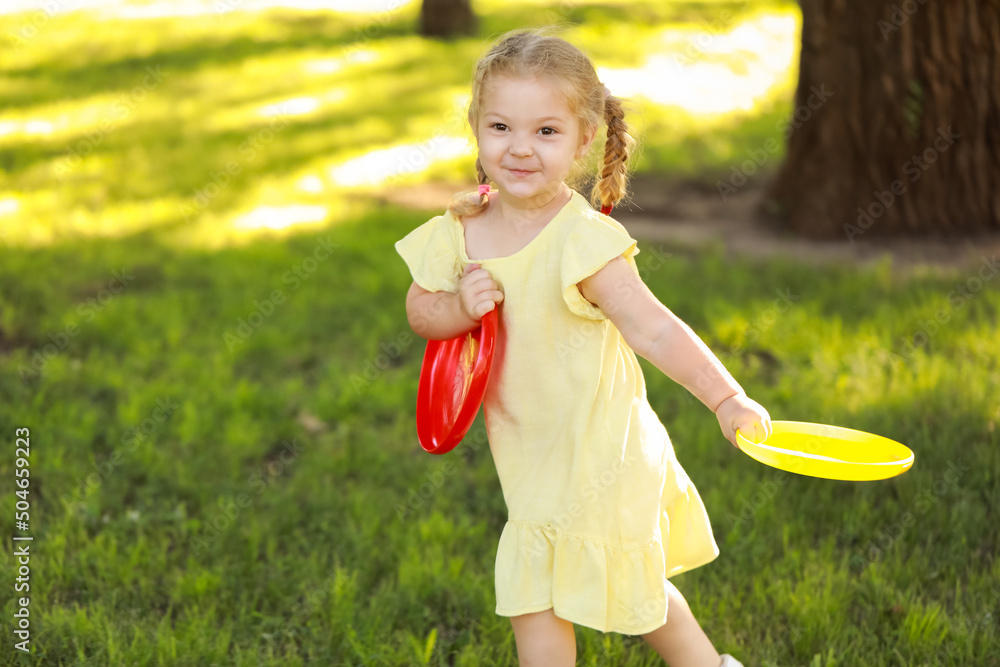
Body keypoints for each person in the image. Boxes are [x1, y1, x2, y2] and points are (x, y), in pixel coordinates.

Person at [395, 29, 771, 667]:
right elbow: (420, 312)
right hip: (532, 454)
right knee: (569, 586)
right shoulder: (456, 231)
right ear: (475, 127)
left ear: (584, 137)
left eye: (546, 132)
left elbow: (653, 328)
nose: (519, 148)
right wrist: (458, 308)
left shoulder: (582, 242)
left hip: (603, 452)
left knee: (601, 589)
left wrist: (726, 398)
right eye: (500, 126)